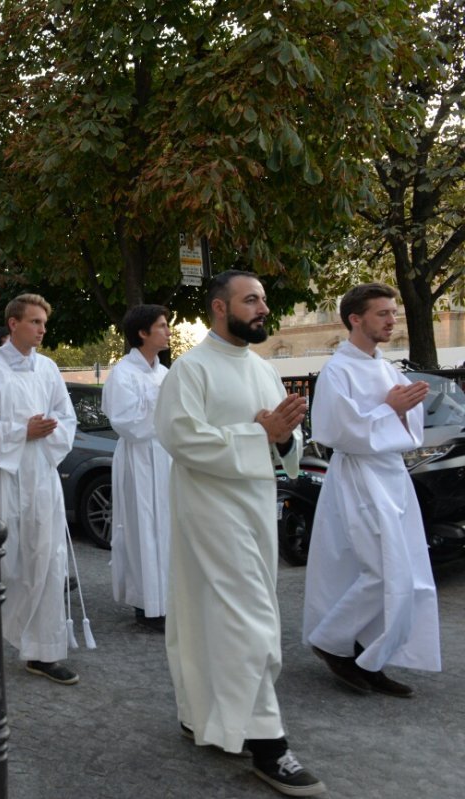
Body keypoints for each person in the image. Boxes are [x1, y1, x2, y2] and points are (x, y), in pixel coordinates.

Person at [154, 270, 324, 797]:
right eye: (251, 300)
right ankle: (269, 744)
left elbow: (283, 449)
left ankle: (199, 712)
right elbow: (180, 438)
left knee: (214, 613)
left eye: (265, 301)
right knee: (247, 620)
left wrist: (283, 436)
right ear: (219, 309)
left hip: (253, 509)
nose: (263, 309)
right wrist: (258, 434)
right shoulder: (191, 369)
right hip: (208, 511)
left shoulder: (262, 368)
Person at [303, 283, 439, 698]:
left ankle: (371, 655)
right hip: (358, 477)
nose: (391, 320)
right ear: (355, 319)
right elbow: (334, 432)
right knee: (382, 570)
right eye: (382, 313)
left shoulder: (388, 369)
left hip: (392, 476)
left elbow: (411, 432)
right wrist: (390, 409)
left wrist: (402, 412)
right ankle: (331, 641)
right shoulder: (337, 370)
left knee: (407, 569)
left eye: (393, 312)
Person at [0, 294, 86, 686]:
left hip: (41, 473)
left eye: (44, 323)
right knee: (3, 558)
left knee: (46, 559)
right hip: (3, 474)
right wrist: (20, 433)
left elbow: (67, 416)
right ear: (13, 324)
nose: (42, 329)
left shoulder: (47, 369)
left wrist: (47, 433)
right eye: (35, 322)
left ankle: (43, 651)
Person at [102, 304, 172, 632]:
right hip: (139, 458)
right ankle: (147, 604)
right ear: (142, 333)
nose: (168, 331)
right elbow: (125, 421)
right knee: (142, 528)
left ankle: (168, 600)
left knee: (166, 529)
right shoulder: (123, 373)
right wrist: (163, 411)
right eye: (162, 326)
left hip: (166, 458)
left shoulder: (164, 373)